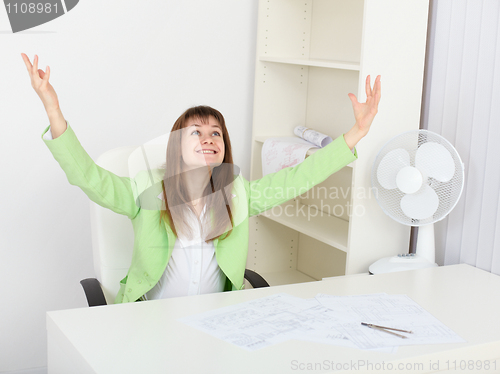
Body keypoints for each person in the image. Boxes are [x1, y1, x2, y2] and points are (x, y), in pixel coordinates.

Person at [21, 53, 381, 303]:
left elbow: (299, 177)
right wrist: (53, 109)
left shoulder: (239, 195)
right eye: (195, 132)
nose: (208, 139)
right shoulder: (146, 191)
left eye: (216, 134)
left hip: (215, 320)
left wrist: (355, 133)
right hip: (150, 319)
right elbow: (89, 178)